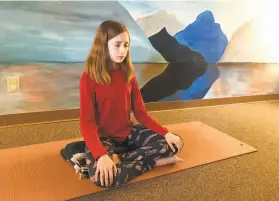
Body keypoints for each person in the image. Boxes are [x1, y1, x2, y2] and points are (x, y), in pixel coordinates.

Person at [79, 20, 184, 188]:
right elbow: (87, 123)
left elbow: (141, 113)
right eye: (117, 45)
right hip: (103, 137)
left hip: (128, 132)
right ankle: (152, 163)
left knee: (175, 143)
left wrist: (166, 133)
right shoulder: (88, 78)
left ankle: (120, 159)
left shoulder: (128, 74)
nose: (123, 51)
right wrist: (101, 156)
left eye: (126, 45)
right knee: (101, 179)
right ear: (103, 45)